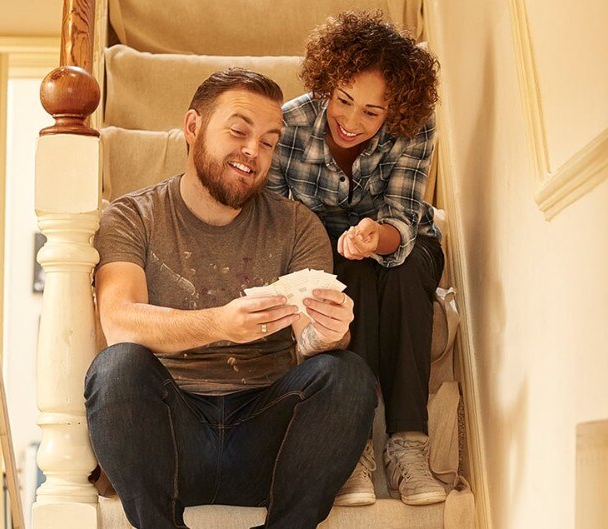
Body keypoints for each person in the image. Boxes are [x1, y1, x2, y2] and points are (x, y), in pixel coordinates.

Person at [87, 67, 376, 529]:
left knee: (347, 373)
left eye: (268, 141)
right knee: (116, 367)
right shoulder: (132, 216)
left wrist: (329, 331)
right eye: (239, 131)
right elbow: (120, 322)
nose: (252, 152)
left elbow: (310, 344)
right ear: (193, 127)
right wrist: (219, 323)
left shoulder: (298, 225)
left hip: (267, 439)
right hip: (169, 439)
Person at [267, 11, 445, 507]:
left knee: (406, 269)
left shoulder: (417, 128)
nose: (351, 121)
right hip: (318, 247)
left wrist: (375, 237)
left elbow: (405, 218)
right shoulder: (289, 125)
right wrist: (337, 249)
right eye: (344, 101)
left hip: (396, 240)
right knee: (345, 277)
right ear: (327, 83)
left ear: (396, 111)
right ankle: (353, 446)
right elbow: (280, 222)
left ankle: (409, 445)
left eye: (372, 112)